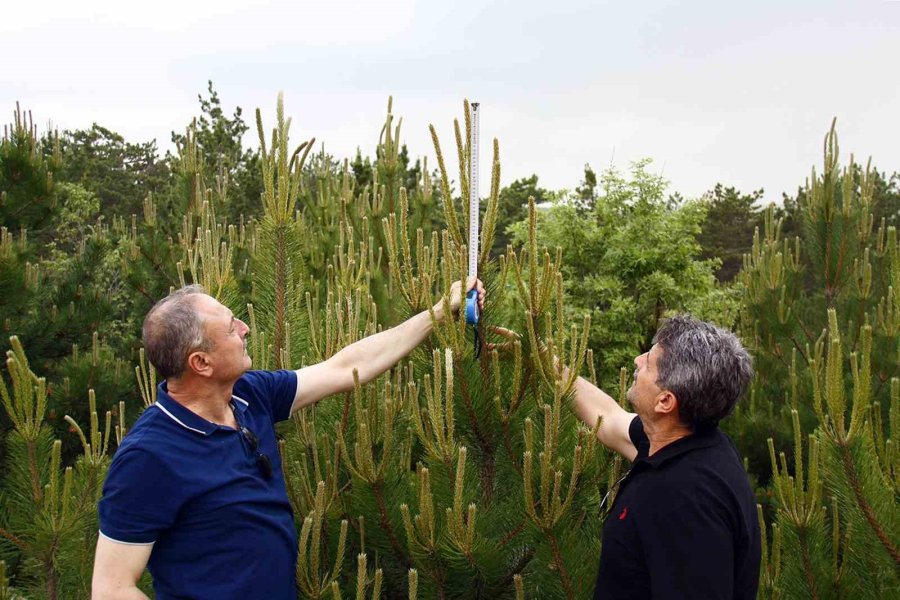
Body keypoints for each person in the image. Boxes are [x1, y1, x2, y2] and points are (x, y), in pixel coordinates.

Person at [91, 279, 484, 600]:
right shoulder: (149, 456)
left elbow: (347, 367)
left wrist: (438, 312)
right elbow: (111, 589)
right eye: (231, 327)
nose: (245, 328)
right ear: (201, 363)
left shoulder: (249, 394)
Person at [565, 315, 761, 599]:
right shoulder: (684, 440)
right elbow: (608, 418)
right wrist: (540, 360)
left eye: (649, 361)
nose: (637, 360)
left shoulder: (687, 503)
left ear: (665, 401)